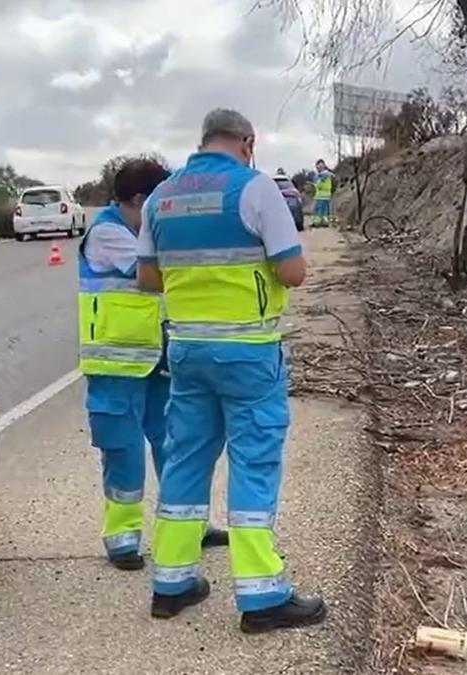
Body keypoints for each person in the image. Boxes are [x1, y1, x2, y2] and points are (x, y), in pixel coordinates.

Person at [137, 109, 327, 633]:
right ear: (247, 141)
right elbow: (293, 270)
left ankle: (171, 583)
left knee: (185, 459)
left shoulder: (161, 197)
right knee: (254, 460)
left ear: (202, 142)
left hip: (186, 351)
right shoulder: (256, 188)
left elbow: (148, 280)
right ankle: (261, 595)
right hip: (247, 351)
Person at [78, 158, 228, 572]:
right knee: (123, 452)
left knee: (176, 446)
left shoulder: (143, 228)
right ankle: (123, 539)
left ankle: (189, 526)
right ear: (141, 200)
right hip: (117, 366)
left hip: (158, 359)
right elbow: (154, 273)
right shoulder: (108, 232)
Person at [312, 159, 334, 228]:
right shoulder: (327, 174)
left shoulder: (322, 176)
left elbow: (319, 185)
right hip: (326, 196)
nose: (318, 168)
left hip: (321, 196)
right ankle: (325, 222)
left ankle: (317, 223)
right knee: (325, 211)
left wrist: (316, 184)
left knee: (319, 210)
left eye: (318, 167)